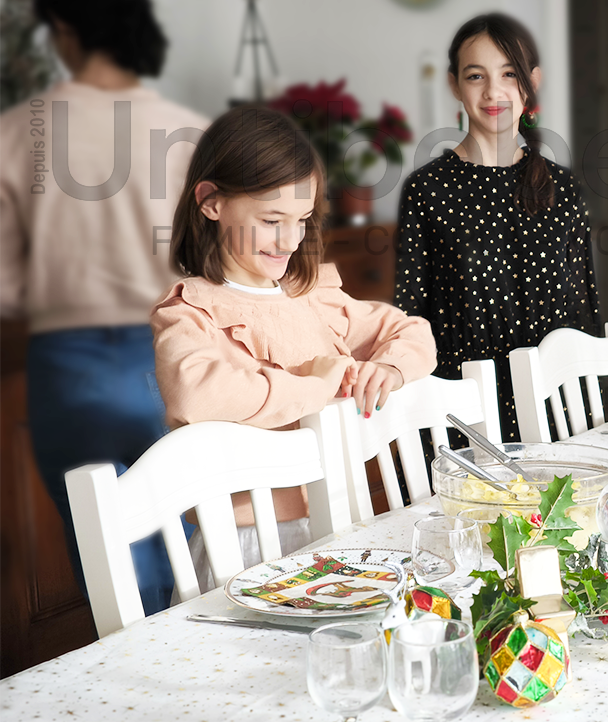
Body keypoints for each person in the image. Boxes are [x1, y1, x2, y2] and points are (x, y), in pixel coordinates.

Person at [151, 107, 436, 589]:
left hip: (340, 526)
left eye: (302, 219)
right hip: (244, 546)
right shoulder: (190, 311)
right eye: (271, 219)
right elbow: (195, 394)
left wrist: (386, 368)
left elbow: (413, 332)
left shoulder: (315, 296)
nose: (290, 239)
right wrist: (311, 387)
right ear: (211, 202)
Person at [0, 0, 208, 616]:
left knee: (112, 561)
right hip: (176, 351)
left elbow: (4, 283)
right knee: (190, 541)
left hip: (72, 365)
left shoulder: (18, 132)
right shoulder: (192, 133)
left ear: (63, 27)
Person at [395, 13, 601, 441]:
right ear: (454, 84)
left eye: (509, 73)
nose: (493, 91)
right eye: (476, 76)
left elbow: (585, 312)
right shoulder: (427, 190)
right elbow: (409, 317)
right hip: (465, 413)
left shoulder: (564, 189)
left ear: (532, 81)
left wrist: (598, 411)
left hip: (560, 412)